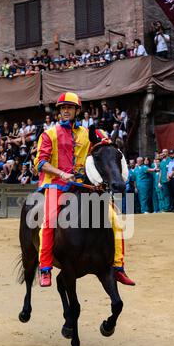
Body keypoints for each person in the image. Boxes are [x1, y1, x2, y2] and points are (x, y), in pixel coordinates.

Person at [34, 91, 135, 287]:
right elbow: (41, 163)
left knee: (115, 219)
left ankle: (118, 267)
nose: (65, 111)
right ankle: (45, 268)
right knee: (49, 221)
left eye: (69, 108)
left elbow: (103, 145)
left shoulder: (86, 133)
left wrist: (106, 139)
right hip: (56, 184)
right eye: (62, 108)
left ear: (77, 111)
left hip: (84, 185)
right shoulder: (49, 134)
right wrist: (62, 174)